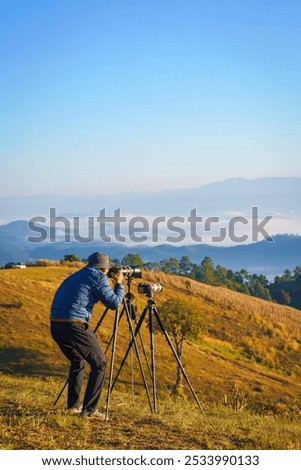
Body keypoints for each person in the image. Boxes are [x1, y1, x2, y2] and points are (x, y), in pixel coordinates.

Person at [50, 252, 124, 418]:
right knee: (100, 363)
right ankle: (90, 410)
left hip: (56, 324)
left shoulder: (77, 275)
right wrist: (119, 284)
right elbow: (114, 303)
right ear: (104, 268)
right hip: (74, 324)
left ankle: (74, 406)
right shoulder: (99, 277)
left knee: (78, 360)